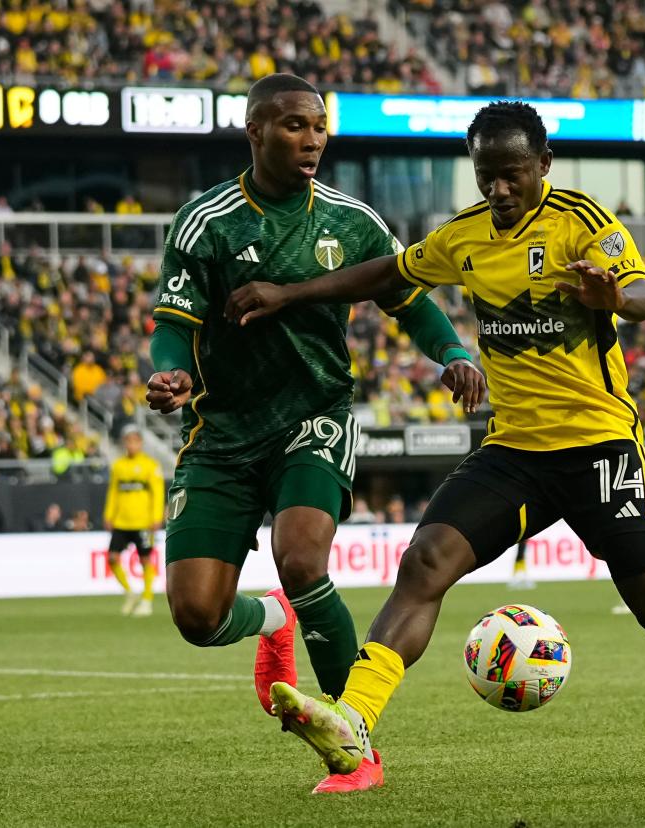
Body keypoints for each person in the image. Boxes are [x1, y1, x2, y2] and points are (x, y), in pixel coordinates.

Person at [226, 101, 645, 788]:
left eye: (513, 174)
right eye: (487, 175)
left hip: (600, 448)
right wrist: (293, 294)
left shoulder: (583, 221)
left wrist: (612, 297)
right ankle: (355, 722)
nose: (500, 190)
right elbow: (389, 275)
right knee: (425, 562)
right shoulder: (467, 236)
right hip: (515, 451)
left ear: (543, 164)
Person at [144, 74, 484, 793]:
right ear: (256, 133)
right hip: (222, 433)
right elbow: (174, 326)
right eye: (296, 126)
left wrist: (452, 351)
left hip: (314, 417)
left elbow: (407, 297)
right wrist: (172, 374)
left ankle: (356, 746)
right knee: (196, 616)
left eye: (319, 127)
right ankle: (269, 621)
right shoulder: (205, 221)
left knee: (300, 558)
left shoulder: (351, 220)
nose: (312, 140)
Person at [104, 426, 165, 617]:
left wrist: (156, 517)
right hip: (122, 522)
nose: (131, 445)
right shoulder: (118, 465)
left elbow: (157, 493)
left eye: (134, 441)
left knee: (146, 559)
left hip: (143, 523)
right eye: (128, 441)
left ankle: (147, 600)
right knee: (112, 558)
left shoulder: (150, 465)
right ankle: (130, 594)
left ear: (140, 443)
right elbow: (113, 491)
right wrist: (109, 514)